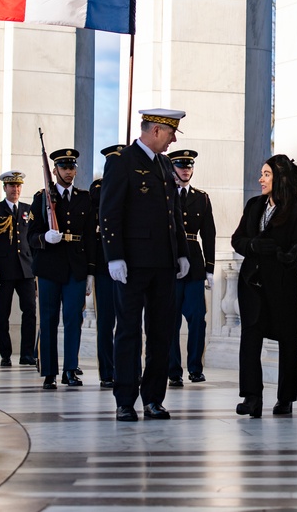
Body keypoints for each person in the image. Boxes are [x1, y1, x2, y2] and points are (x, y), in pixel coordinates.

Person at [100, 109, 190, 421]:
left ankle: (153, 398)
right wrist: (114, 256)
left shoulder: (165, 164)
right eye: (170, 134)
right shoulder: (121, 161)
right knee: (127, 331)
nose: (173, 140)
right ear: (154, 131)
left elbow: (173, 212)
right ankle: (125, 399)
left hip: (163, 264)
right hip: (132, 264)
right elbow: (109, 212)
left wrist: (181, 251)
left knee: (161, 332)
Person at [231, 154, 297, 418]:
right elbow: (237, 239)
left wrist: (289, 257)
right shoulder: (254, 205)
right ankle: (252, 397)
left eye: (266, 174)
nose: (261, 179)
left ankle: (285, 399)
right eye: (262, 173)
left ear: (280, 178)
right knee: (250, 339)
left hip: (282, 285)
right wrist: (252, 245)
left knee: (289, 341)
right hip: (252, 284)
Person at [28, 149, 95, 390]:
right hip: (49, 266)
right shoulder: (41, 198)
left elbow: (89, 237)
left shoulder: (84, 198)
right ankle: (49, 372)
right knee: (48, 319)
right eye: (64, 168)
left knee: (73, 320)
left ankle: (70, 370)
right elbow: (30, 236)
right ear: (54, 171)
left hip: (76, 266)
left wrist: (90, 272)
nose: (69, 172)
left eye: (72, 167)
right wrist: (45, 237)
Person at [166, 149, 216, 387]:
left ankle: (195, 367)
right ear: (172, 168)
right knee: (170, 319)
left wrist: (210, 268)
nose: (186, 170)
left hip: (194, 265)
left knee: (198, 318)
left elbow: (209, 234)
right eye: (181, 166)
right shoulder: (164, 195)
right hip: (170, 264)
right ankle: (173, 369)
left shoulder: (202, 197)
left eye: (189, 166)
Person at [0, 170, 37, 367]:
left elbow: (32, 241)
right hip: (5, 270)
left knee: (30, 312)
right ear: (5, 188)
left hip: (26, 270)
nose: (15, 189)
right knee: (2, 314)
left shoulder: (28, 210)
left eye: (18, 186)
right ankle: (5, 354)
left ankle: (26, 354)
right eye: (11, 186)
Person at [88, 143, 125, 388]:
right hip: (104, 267)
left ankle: (128, 368)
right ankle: (107, 370)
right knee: (106, 322)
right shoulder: (98, 189)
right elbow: (94, 234)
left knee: (128, 321)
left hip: (128, 267)